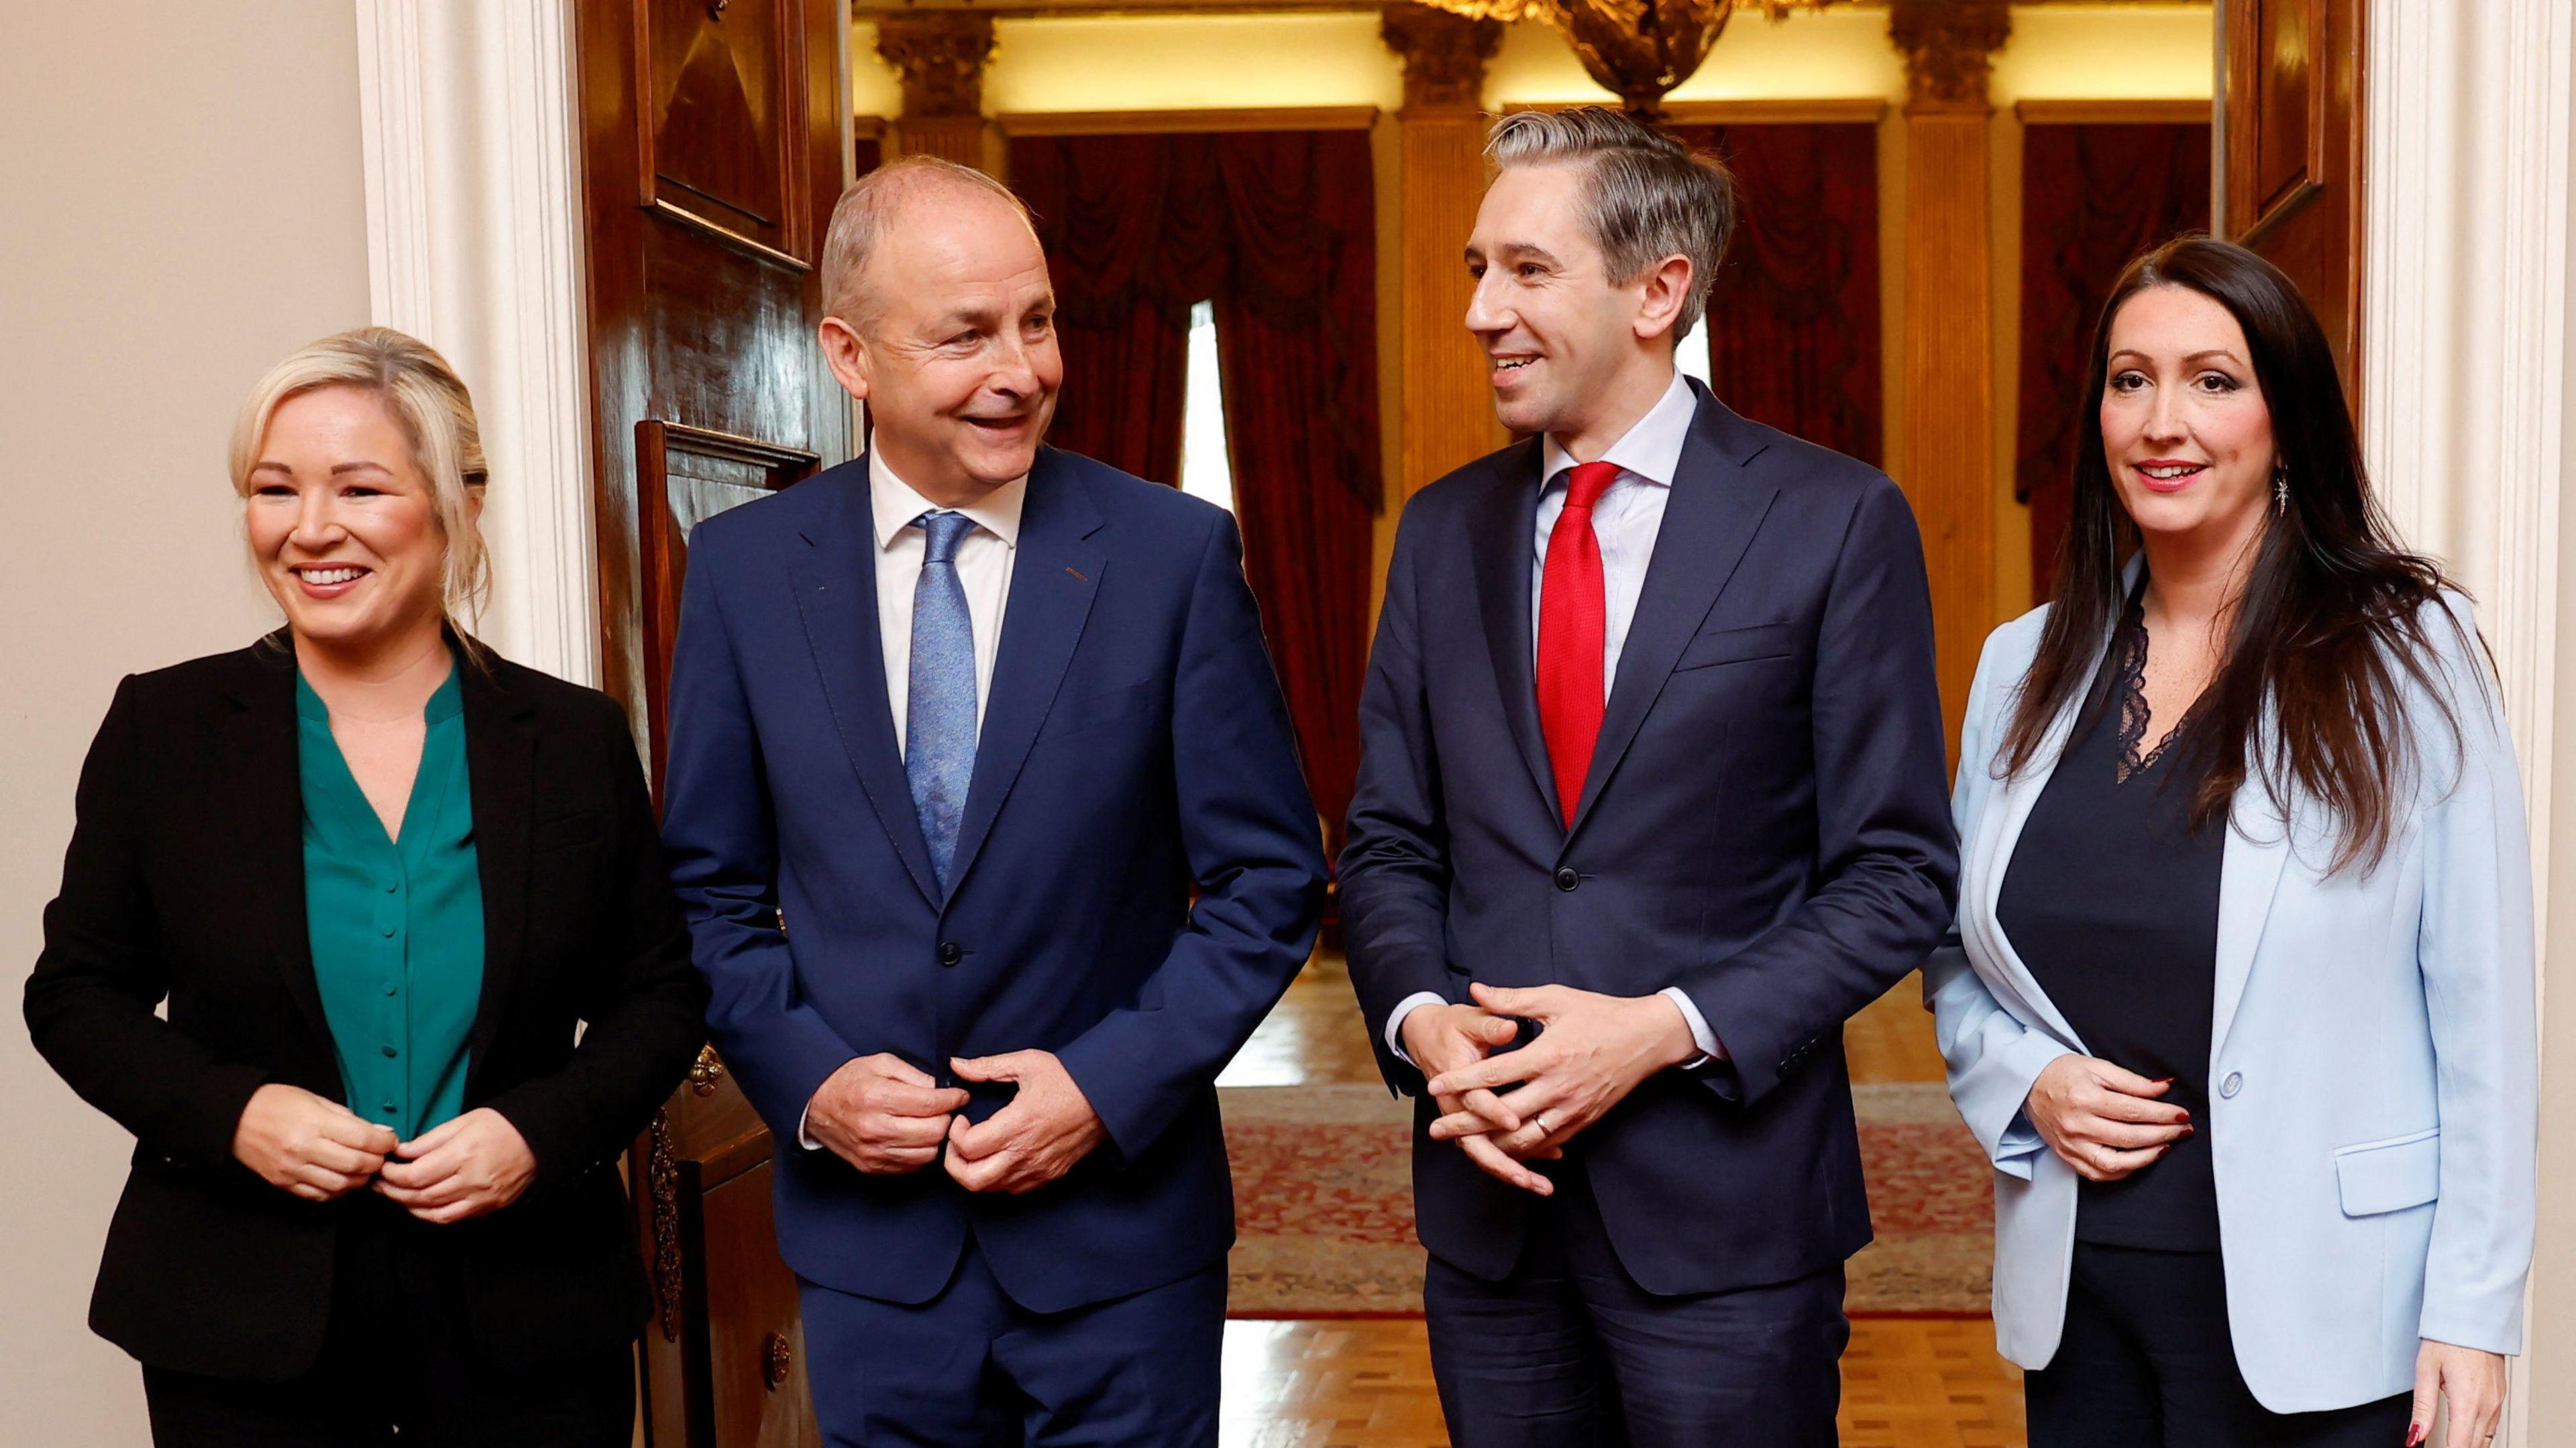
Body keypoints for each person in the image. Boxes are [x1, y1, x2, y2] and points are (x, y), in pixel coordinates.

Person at [658, 156, 1326, 1447]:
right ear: (850, 356)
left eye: (1038, 320)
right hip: (874, 1257)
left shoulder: (1174, 557)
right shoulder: (744, 570)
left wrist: (1104, 1085)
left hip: (1123, 1249)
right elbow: (708, 892)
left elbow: (1268, 882)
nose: (1021, 368)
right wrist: (812, 1084)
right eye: (966, 334)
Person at [1338, 107, 1957, 1446]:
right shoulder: (1442, 532)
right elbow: (1389, 841)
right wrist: (1421, 1026)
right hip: (1490, 1218)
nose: (1482, 310)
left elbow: (1899, 876)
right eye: (1474, 269)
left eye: (1526, 269)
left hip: (1729, 1225)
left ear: (1658, 290)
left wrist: (1665, 1026)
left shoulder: (1834, 520)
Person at [22, 327, 710, 1447]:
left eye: (360, 487)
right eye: (274, 489)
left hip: (531, 1317)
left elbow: (661, 998)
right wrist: (233, 1114)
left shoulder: (576, 738)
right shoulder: (166, 729)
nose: (311, 529)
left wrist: (538, 1133)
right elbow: (76, 996)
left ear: (457, 503)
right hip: (237, 1322)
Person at [1923, 236, 2534, 1447]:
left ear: (2287, 419)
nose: (2163, 420)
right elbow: (1959, 954)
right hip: (2080, 1299)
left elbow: (2485, 1002)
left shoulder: (2414, 655)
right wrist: (2026, 1081)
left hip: (2334, 1316)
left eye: (2213, 380)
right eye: (2128, 379)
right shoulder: (2021, 665)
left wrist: (2473, 1308)